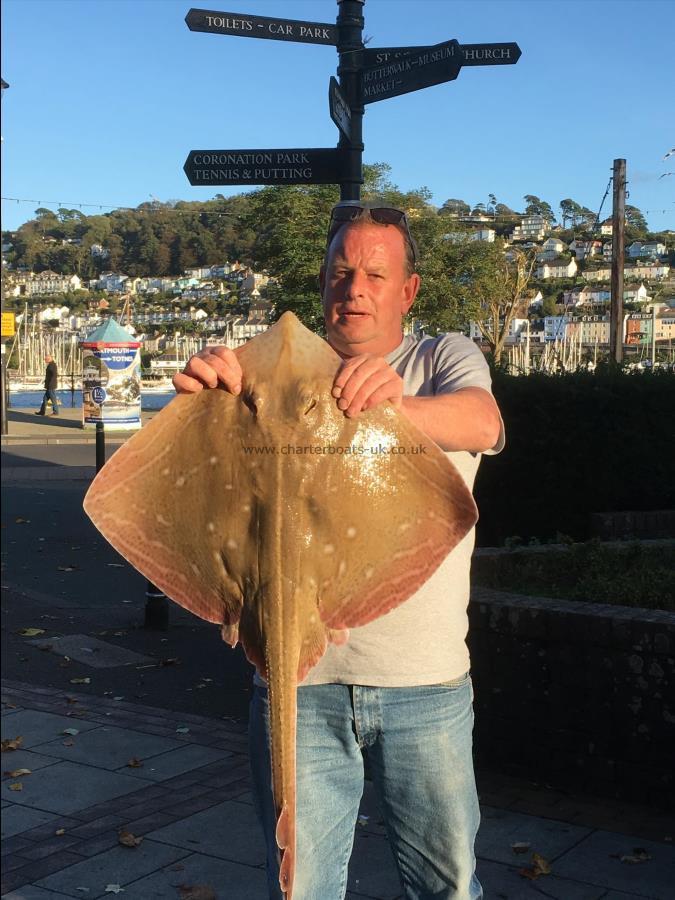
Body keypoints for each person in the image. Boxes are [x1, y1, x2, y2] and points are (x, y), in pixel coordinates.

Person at [175, 201, 504, 900]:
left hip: (424, 684)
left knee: (447, 886)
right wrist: (202, 398)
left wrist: (395, 407)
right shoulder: (272, 377)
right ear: (322, 284)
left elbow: (482, 422)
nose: (354, 288)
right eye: (339, 272)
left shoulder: (439, 358)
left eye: (375, 275)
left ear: (406, 290)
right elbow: (181, 479)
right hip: (297, 688)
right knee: (299, 887)